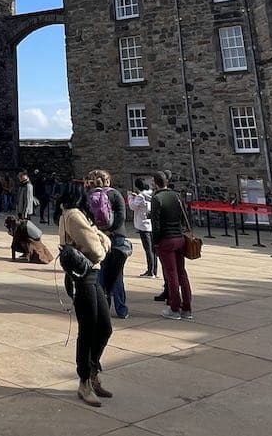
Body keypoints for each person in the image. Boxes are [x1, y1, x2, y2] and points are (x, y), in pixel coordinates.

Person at [58, 185, 113, 407]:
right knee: (89, 329)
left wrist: (98, 236)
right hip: (84, 277)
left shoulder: (72, 215)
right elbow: (99, 250)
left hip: (89, 276)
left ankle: (92, 370)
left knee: (104, 327)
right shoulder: (74, 216)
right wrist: (101, 239)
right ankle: (84, 382)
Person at [86, 169, 129, 319]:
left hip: (99, 238)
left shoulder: (90, 195)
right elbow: (122, 216)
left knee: (101, 274)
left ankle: (104, 308)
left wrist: (102, 231)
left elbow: (88, 218)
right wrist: (111, 230)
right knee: (117, 275)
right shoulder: (116, 194)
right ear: (108, 181)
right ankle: (122, 310)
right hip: (117, 237)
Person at [150, 171, 192, 320]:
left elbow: (155, 224)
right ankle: (187, 308)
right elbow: (184, 216)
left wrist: (155, 242)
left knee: (171, 274)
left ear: (155, 183)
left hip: (166, 240)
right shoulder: (176, 196)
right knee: (182, 273)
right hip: (179, 237)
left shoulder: (157, 198)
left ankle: (174, 308)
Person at [128, 177, 156, 277]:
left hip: (143, 225)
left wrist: (130, 197)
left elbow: (132, 206)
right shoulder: (150, 194)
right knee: (153, 249)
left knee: (148, 249)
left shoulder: (141, 196)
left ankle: (150, 271)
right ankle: (154, 270)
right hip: (151, 224)